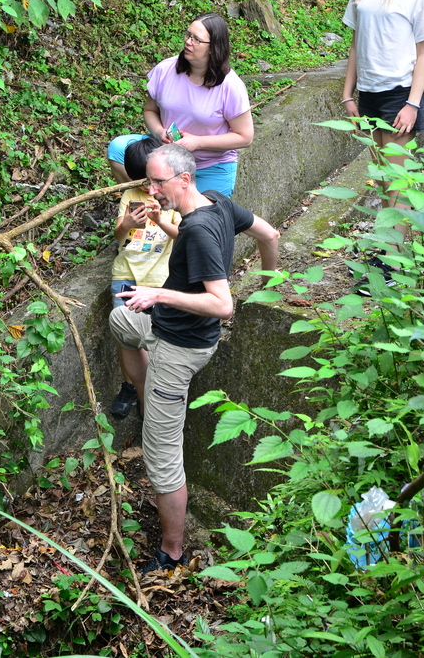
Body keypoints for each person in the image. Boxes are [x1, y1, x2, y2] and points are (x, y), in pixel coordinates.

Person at [108, 144, 280, 575]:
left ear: (184, 179)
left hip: (180, 348)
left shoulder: (202, 228)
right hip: (163, 326)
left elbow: (223, 305)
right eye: (149, 181)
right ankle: (150, 401)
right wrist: (272, 286)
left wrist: (158, 293)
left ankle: (171, 553)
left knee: (161, 454)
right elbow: (270, 235)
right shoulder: (216, 204)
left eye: (158, 182)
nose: (152, 189)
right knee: (121, 322)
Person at [340, 0, 424, 290]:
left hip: (401, 94)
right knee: (383, 182)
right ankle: (388, 252)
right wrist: (348, 94)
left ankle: (391, 267)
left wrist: (413, 104)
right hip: (368, 93)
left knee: (397, 181)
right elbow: (356, 44)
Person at [107, 13, 253, 197]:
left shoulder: (230, 86)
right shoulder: (166, 69)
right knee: (118, 149)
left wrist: (198, 143)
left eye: (197, 39)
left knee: (201, 221)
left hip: (209, 165)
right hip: (166, 156)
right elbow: (150, 110)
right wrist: (159, 132)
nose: (188, 42)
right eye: (188, 35)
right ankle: (146, 204)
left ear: (213, 48)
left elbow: (245, 137)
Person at [110, 137, 181, 417]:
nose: (146, 188)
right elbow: (118, 234)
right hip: (126, 274)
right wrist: (127, 224)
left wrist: (162, 220)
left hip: (159, 278)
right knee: (124, 333)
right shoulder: (130, 196)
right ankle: (134, 390)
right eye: (139, 180)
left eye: (151, 181)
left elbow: (182, 235)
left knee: (154, 334)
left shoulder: (170, 200)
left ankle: (153, 392)